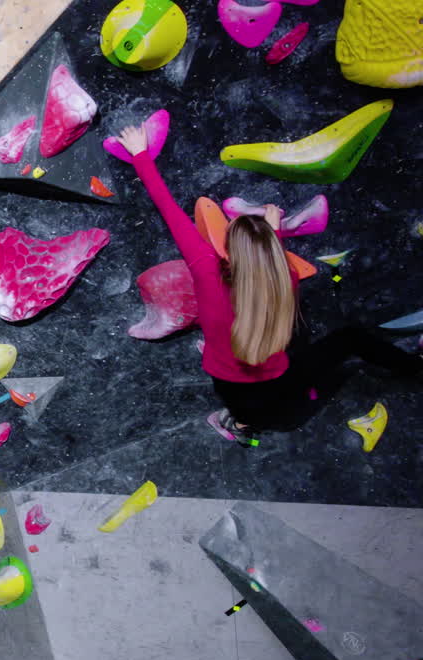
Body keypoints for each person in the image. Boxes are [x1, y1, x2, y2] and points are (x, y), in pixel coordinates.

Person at [117, 125, 421, 444]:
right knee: (351, 340)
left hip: (235, 391)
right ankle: (414, 366)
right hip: (283, 385)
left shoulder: (206, 272)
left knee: (275, 394)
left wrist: (140, 154)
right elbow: (269, 268)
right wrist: (272, 233)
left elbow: (171, 212)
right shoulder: (285, 280)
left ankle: (242, 424)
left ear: (229, 249)